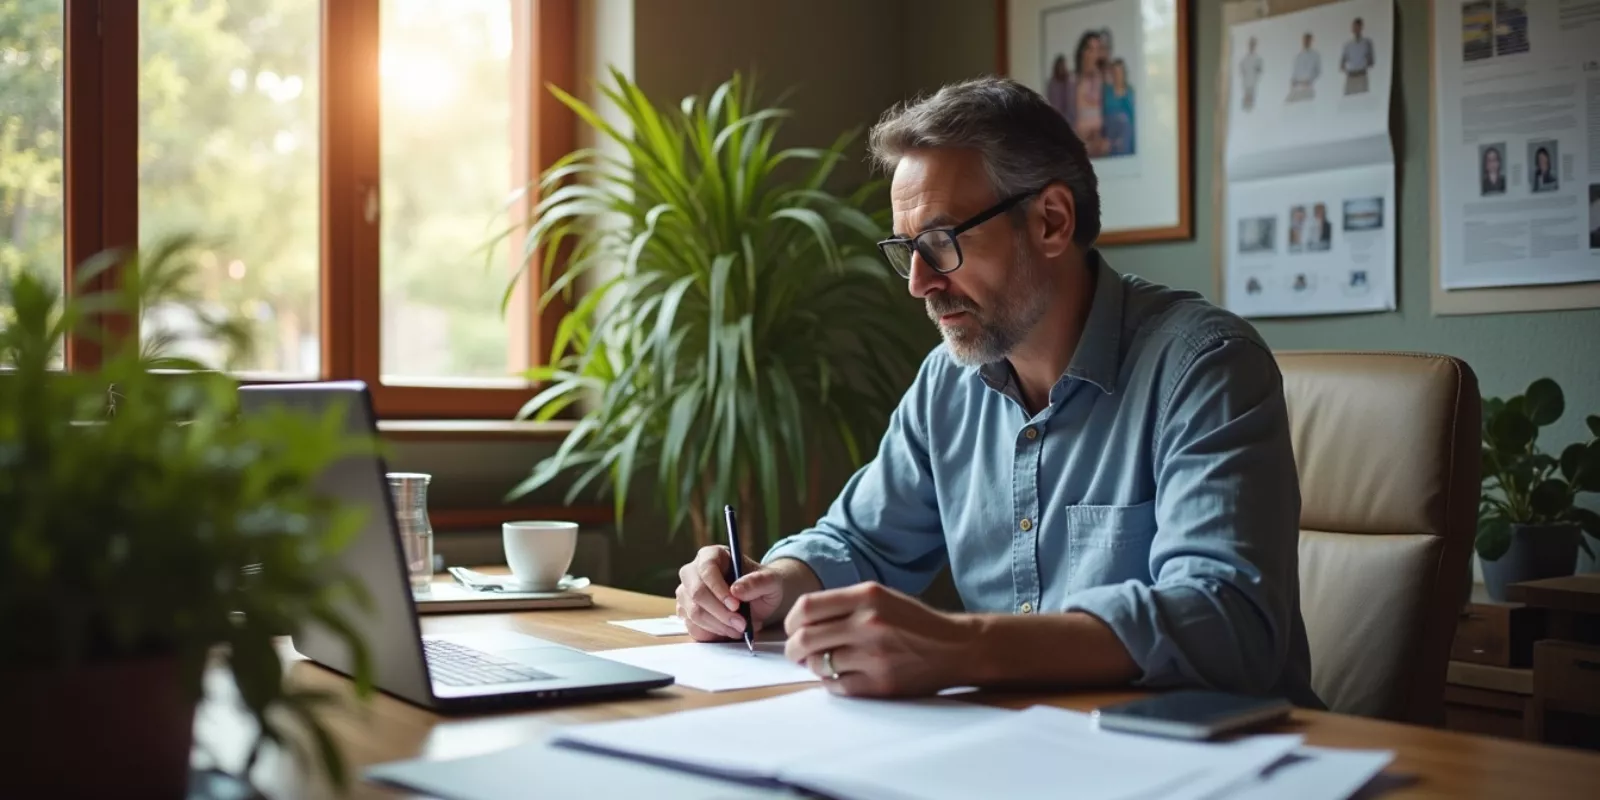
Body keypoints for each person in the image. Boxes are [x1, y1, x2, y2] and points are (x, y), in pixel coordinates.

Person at [674, 76, 1322, 710]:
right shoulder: (946, 383)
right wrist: (767, 586)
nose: (919, 283)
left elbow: (1226, 618)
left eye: (941, 242)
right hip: (1024, 749)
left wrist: (965, 645)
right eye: (907, 250)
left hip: (1222, 757)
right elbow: (862, 544)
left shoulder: (1205, 366)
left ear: (1050, 221)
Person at [1073, 30, 1109, 157]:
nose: (1093, 54)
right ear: (1082, 52)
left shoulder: (1105, 81)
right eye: (1089, 49)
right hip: (1077, 144)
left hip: (1100, 143)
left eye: (1097, 50)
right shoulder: (1072, 81)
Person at [1101, 59, 1136, 156]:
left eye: (1120, 72)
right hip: (1109, 140)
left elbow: (1133, 120)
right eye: (1115, 72)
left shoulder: (1130, 93)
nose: (1118, 75)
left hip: (1126, 141)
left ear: (1124, 73)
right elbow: (1102, 117)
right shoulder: (1107, 92)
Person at [1340, 17, 1375, 95]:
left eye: (1357, 26)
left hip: (1361, 76)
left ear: (1361, 27)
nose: (1355, 29)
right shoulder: (1348, 45)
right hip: (1350, 76)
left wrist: (1361, 65)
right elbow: (1342, 63)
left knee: (1362, 99)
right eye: (1354, 27)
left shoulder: (1367, 43)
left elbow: (1371, 61)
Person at [1288, 33, 1320, 102]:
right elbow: (1295, 71)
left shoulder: (1315, 55)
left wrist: (1309, 80)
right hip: (1297, 88)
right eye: (1305, 40)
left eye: (1308, 40)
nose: (1306, 42)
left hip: (1308, 87)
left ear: (1311, 41)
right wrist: (1293, 81)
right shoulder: (1299, 56)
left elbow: (1318, 71)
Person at [1046, 54, 1074, 123]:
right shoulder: (1052, 83)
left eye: (1063, 66)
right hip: (1055, 117)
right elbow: (1050, 102)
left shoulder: (1069, 81)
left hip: (1069, 118)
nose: (1062, 68)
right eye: (1060, 66)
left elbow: (1071, 101)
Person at [1239, 37, 1263, 111]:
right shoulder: (1244, 59)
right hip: (1246, 84)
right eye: (1250, 44)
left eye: (1253, 45)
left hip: (1253, 84)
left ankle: (1250, 107)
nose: (1251, 46)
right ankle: (1246, 107)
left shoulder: (1258, 59)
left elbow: (1259, 71)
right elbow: (1242, 70)